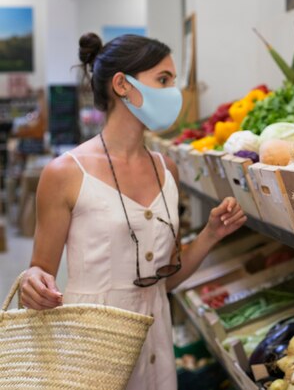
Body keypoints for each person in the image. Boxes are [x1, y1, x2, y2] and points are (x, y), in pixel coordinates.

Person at [19, 33, 247, 390]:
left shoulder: (166, 169)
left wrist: (211, 234)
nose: (174, 92)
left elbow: (163, 280)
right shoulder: (65, 172)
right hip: (93, 352)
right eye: (163, 80)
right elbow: (39, 272)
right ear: (122, 85)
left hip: (157, 346)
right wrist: (32, 282)